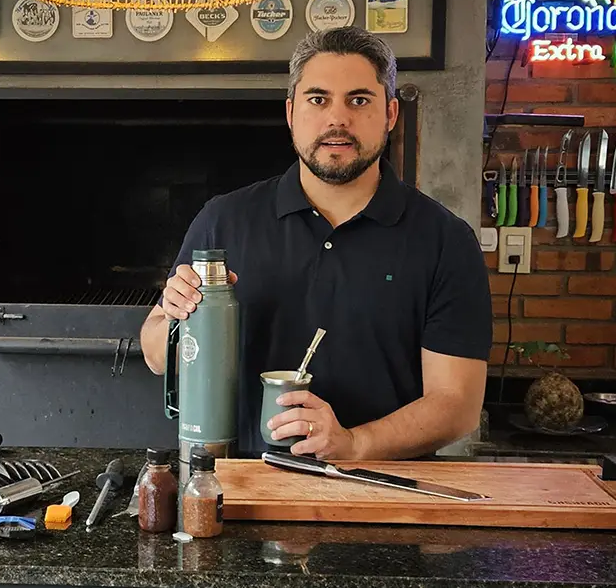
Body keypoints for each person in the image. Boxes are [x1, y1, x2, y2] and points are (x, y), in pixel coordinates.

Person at [139, 26, 493, 460]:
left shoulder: (446, 241)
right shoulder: (224, 219)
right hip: (242, 492)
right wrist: (176, 319)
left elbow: (457, 406)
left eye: (359, 100)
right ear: (291, 113)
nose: (337, 119)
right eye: (318, 99)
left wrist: (355, 443)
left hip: (384, 499)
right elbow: (157, 354)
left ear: (391, 114)